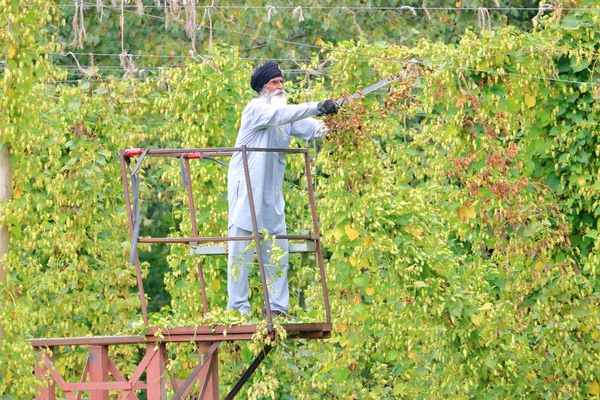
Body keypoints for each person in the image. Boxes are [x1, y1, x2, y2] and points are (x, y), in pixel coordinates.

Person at [227, 61, 339, 316]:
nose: (279, 87)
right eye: (273, 83)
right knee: (240, 254)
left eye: (281, 82)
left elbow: (312, 128)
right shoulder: (255, 109)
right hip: (247, 190)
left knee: (277, 252)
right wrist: (317, 106)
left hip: (270, 194)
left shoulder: (284, 115)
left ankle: (277, 308)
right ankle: (237, 311)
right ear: (262, 88)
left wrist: (336, 117)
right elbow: (282, 114)